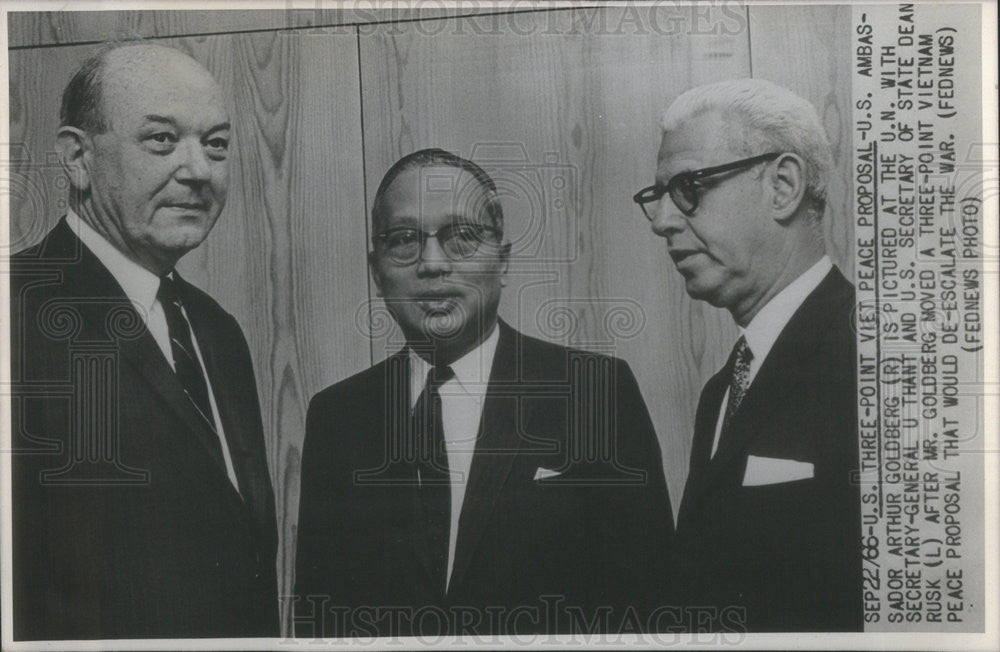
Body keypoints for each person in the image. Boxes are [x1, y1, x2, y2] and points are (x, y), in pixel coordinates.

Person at [295, 148, 673, 637]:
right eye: (404, 240)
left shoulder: (594, 392)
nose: (432, 264)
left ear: (504, 259)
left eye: (462, 237)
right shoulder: (337, 416)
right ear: (376, 270)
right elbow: (319, 622)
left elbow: (651, 611)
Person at [9, 44, 279, 639]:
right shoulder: (15, 313)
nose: (199, 170)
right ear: (77, 156)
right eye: (161, 141)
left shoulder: (217, 332)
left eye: (216, 144)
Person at [634, 78, 862, 632]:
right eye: (657, 195)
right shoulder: (722, 390)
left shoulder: (874, 361)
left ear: (783, 186)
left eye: (689, 185)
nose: (663, 219)